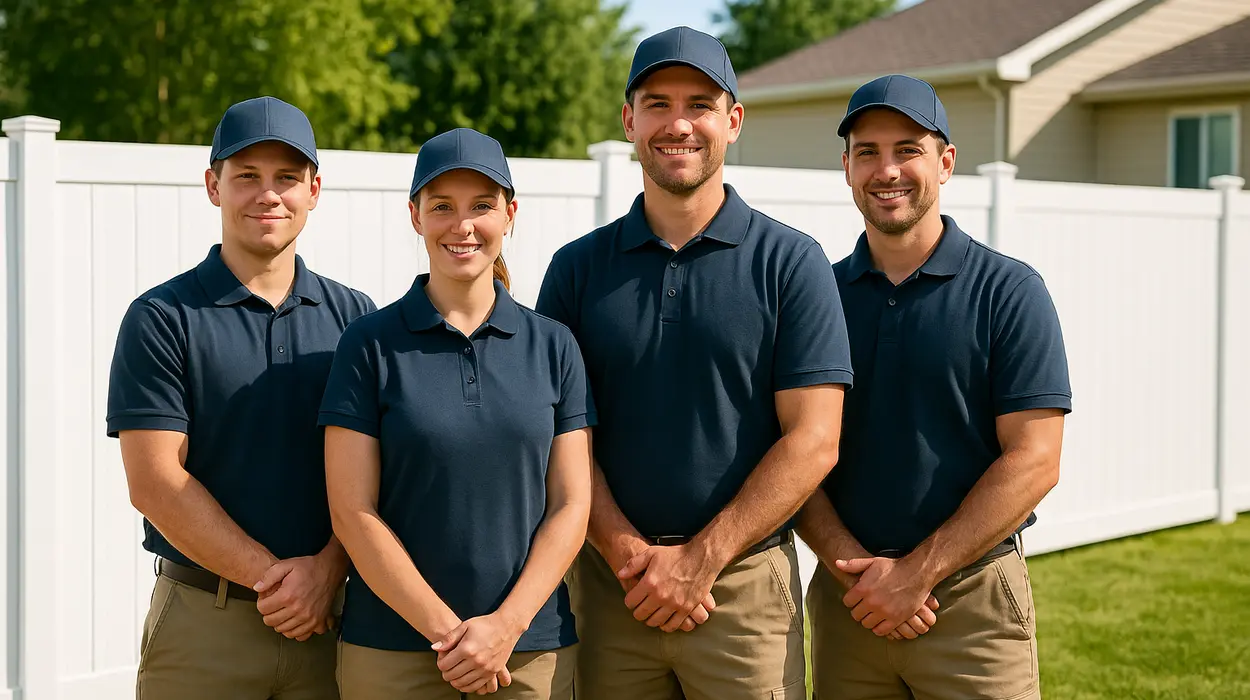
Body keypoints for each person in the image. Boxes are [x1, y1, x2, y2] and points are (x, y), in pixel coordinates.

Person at [535, 26, 852, 700]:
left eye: (700, 104)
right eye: (657, 103)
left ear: (733, 121)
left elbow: (815, 439)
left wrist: (700, 561)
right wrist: (626, 553)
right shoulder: (576, 270)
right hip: (608, 585)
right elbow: (560, 436)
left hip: (741, 593)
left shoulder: (791, 263)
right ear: (628, 120)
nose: (678, 124)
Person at [799, 74, 1071, 700]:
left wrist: (917, 574)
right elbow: (792, 448)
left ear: (945, 163)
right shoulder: (817, 298)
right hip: (851, 602)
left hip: (971, 605)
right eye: (867, 151)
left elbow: (1036, 459)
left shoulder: (1008, 292)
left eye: (908, 149)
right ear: (845, 168)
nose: (886, 169)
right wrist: (857, 575)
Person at [107, 96, 376, 699]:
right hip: (208, 623)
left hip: (332, 622)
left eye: (286, 177)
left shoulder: (357, 320)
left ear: (314, 189)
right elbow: (153, 482)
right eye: (246, 176)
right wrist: (278, 582)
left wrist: (328, 572)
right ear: (213, 185)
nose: (268, 194)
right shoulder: (161, 318)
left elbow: (378, 474)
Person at [320, 127, 594, 699]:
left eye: (482, 206)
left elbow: (572, 504)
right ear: (416, 215)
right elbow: (352, 510)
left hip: (528, 651)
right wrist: (451, 635)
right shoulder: (368, 345)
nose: (462, 225)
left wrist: (504, 629)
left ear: (510, 213)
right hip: (392, 652)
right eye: (442, 206)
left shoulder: (555, 346)